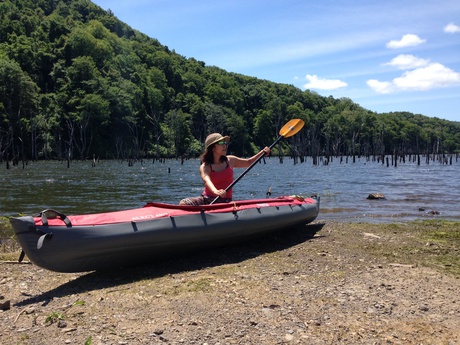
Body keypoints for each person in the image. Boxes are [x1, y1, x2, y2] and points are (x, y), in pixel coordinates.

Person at [179, 133, 270, 205]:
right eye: (221, 143)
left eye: (225, 143)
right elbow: (206, 180)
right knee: (183, 203)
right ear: (213, 147)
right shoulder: (205, 166)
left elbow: (248, 162)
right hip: (207, 199)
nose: (225, 145)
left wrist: (262, 152)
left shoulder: (230, 160)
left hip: (226, 201)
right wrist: (216, 191)